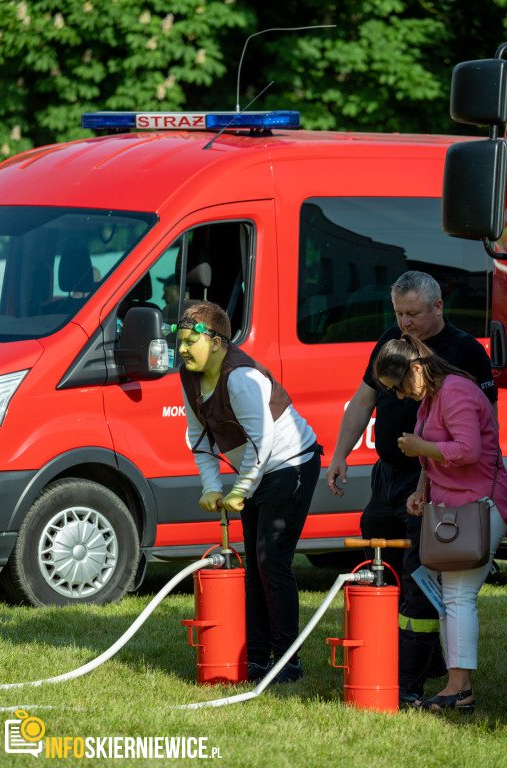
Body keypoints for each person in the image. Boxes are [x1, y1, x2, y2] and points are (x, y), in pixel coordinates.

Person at [326, 271, 498, 704]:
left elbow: (475, 436)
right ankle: (407, 658)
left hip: (451, 484)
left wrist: (425, 458)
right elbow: (363, 399)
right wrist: (341, 454)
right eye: (399, 313)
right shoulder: (392, 343)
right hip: (397, 475)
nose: (404, 322)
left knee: (422, 577)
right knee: (379, 560)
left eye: (413, 314)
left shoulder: (463, 356)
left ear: (438, 307)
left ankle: (410, 681)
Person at [176, 301, 321, 684]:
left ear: (219, 343)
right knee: (255, 571)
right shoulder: (188, 375)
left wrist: (241, 487)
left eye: (192, 341)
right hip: (256, 471)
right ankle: (256, 658)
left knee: (271, 562)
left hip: (291, 464)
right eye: (180, 341)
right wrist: (211, 486)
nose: (183, 349)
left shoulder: (240, 377)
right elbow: (199, 436)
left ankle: (288, 661)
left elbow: (262, 440)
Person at [374, 333, 507, 711]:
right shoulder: (431, 398)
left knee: (458, 597)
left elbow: (468, 450)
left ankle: (460, 689)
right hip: (453, 509)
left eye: (398, 386)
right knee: (451, 599)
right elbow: (433, 460)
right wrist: (421, 490)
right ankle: (456, 686)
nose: (399, 396)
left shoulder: (456, 391)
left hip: (480, 506)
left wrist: (421, 448)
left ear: (416, 368)